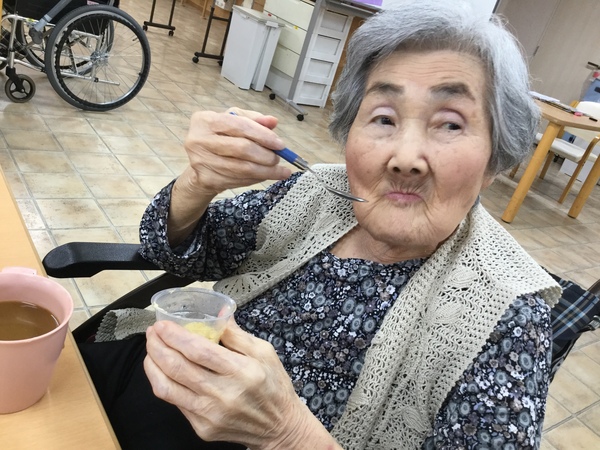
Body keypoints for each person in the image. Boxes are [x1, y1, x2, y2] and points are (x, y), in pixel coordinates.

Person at [79, 1, 562, 449]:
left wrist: (287, 433)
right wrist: (197, 184)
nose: (406, 158)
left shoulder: (508, 316)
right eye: (384, 118)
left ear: (495, 160)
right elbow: (178, 252)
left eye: (451, 124)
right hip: (150, 374)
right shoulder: (317, 193)